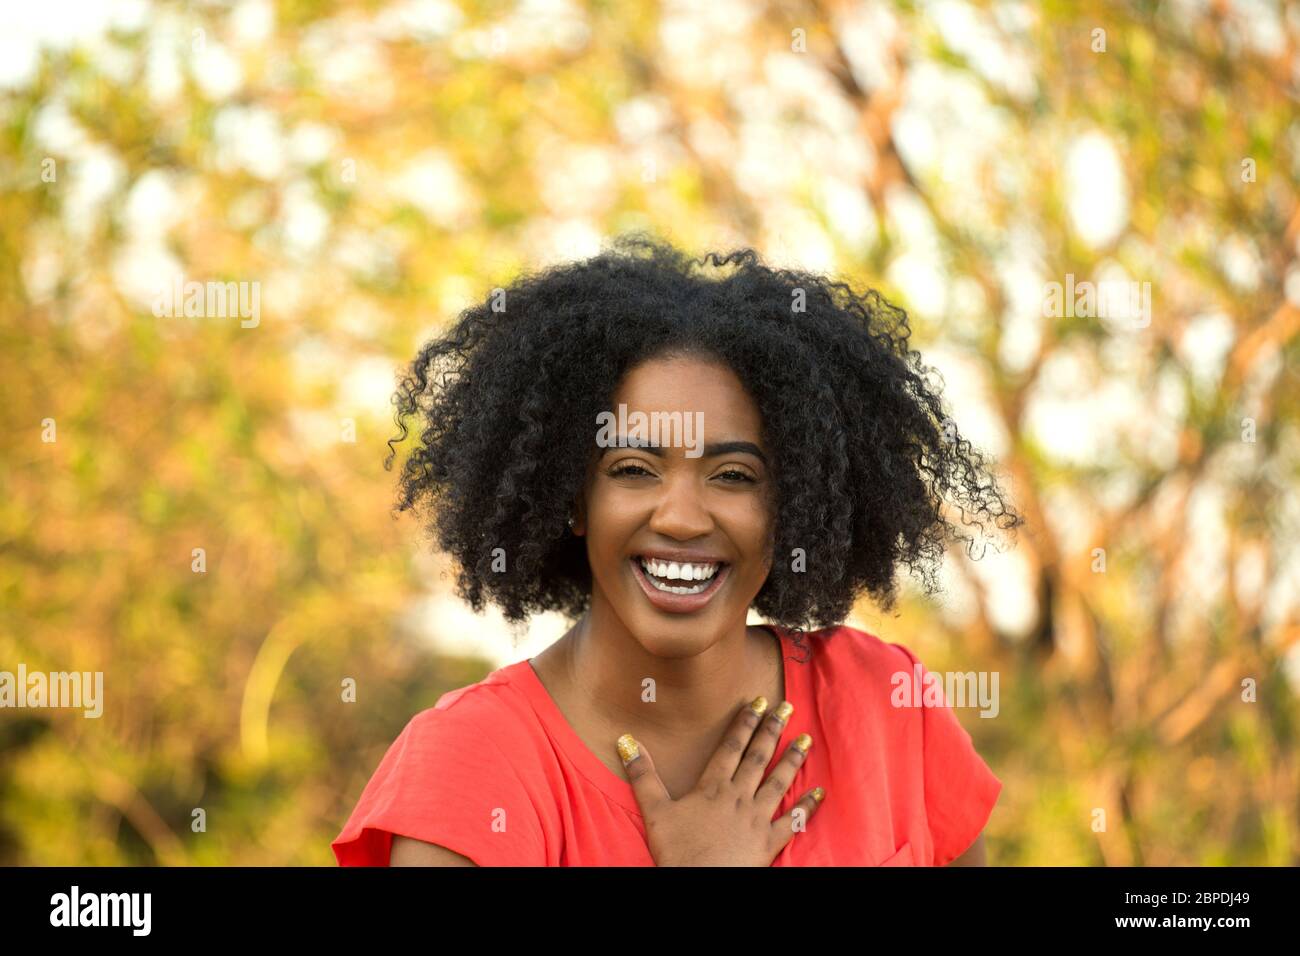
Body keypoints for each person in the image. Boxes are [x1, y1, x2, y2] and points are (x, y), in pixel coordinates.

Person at [332, 234, 1021, 866]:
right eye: (634, 469)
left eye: (734, 476)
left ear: (794, 505)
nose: (684, 518)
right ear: (572, 496)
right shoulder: (469, 765)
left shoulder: (887, 708)